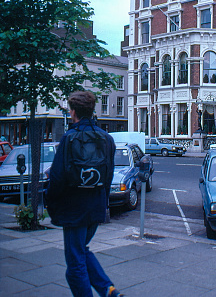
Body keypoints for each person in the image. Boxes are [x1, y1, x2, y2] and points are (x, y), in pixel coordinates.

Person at [46, 91, 122, 297]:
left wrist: (50, 205)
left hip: (73, 210)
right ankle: (109, 290)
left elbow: (57, 178)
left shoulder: (69, 138)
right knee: (81, 251)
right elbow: (108, 176)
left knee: (74, 265)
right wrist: (104, 205)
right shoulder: (106, 139)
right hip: (96, 207)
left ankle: (106, 291)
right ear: (92, 110)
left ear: (73, 112)